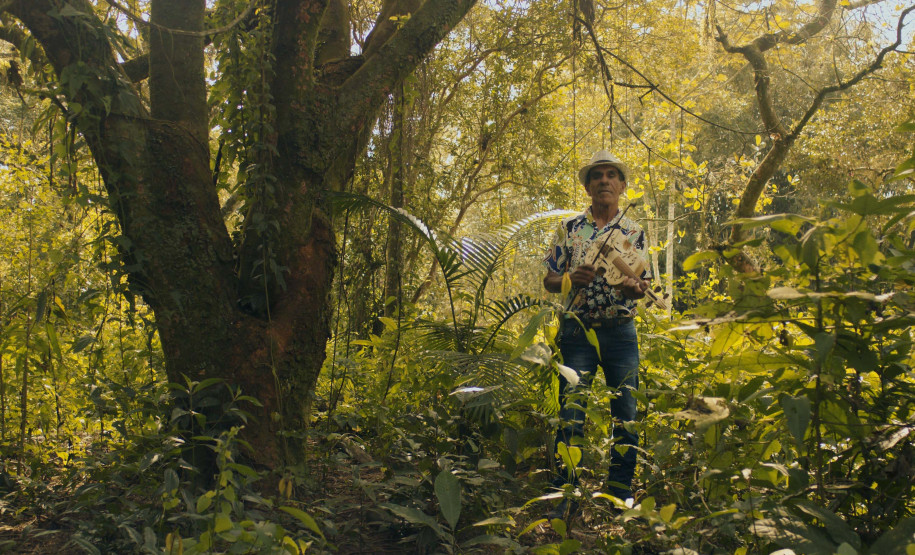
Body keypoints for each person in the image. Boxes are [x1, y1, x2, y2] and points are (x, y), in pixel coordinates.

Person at [542, 149, 651, 517]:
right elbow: (550, 278)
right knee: (571, 413)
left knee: (627, 413)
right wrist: (571, 278)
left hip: (621, 332)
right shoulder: (571, 229)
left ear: (621, 185)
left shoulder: (634, 231)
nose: (604, 181)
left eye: (611, 175)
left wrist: (634, 288)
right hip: (577, 333)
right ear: (588, 187)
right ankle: (563, 495)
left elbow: (644, 283)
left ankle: (620, 494)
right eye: (597, 176)